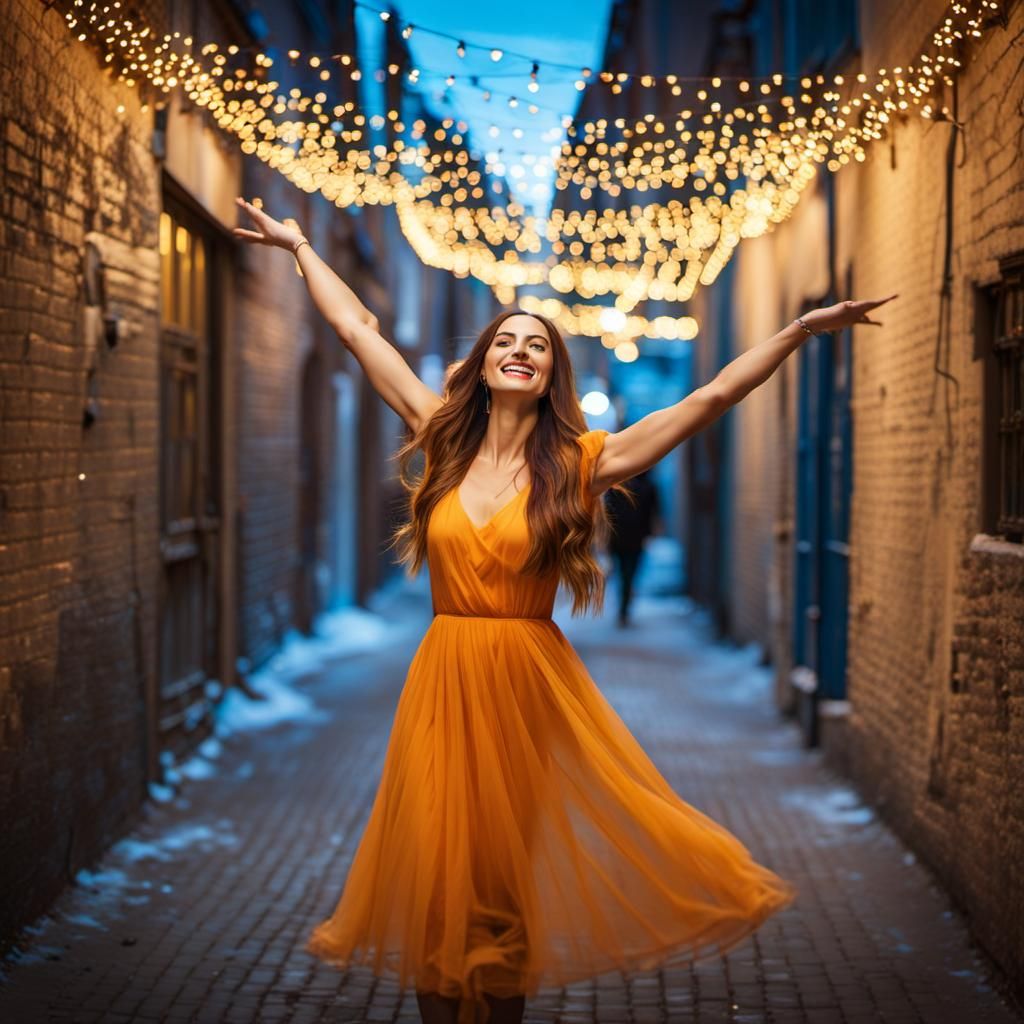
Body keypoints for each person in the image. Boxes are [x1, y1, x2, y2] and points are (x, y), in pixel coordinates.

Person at [233, 196, 896, 1024]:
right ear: (481, 364)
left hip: (526, 683)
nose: (519, 351)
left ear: (551, 373)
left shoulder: (582, 463)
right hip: (444, 674)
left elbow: (711, 398)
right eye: (505, 341)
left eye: (536, 346)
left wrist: (800, 331)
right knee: (440, 872)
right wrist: (300, 245)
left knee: (501, 885)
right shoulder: (439, 435)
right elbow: (360, 331)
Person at [604, 466, 661, 627]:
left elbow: (608, 512)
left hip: (618, 537)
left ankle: (624, 604)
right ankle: (625, 605)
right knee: (630, 572)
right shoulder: (649, 485)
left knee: (623, 572)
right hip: (637, 537)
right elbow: (654, 512)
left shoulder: (616, 485)